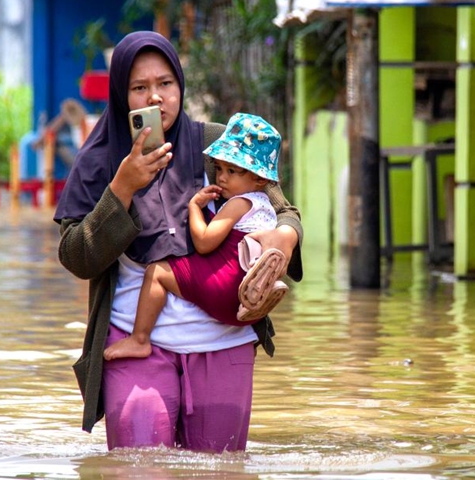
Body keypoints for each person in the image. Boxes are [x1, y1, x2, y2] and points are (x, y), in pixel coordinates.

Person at [53, 31, 303, 454]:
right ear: (121, 96)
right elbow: (77, 255)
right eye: (139, 88)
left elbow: (284, 210)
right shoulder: (99, 161)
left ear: (180, 87)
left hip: (225, 339)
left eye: (165, 84)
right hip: (134, 340)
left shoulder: (220, 145)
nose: (155, 99)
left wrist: (286, 238)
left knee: (220, 468)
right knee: (140, 465)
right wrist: (122, 188)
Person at [102, 113, 289, 361]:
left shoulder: (239, 204)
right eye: (219, 167)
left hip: (224, 290)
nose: (221, 177)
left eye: (232, 170)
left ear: (260, 179)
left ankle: (139, 340)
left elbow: (203, 242)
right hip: (247, 306)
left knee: (156, 273)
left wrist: (193, 207)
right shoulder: (265, 207)